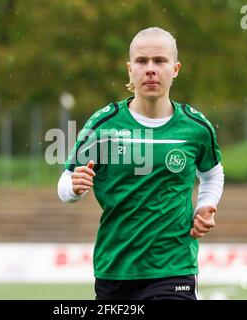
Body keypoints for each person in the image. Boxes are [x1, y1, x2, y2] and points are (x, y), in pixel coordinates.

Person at [57, 27, 224, 300]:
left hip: (174, 266)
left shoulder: (196, 127)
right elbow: (65, 183)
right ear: (129, 70)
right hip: (115, 269)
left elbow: (212, 174)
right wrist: (74, 188)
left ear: (176, 68)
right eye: (141, 61)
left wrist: (205, 205)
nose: (150, 69)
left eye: (159, 61)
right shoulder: (103, 125)